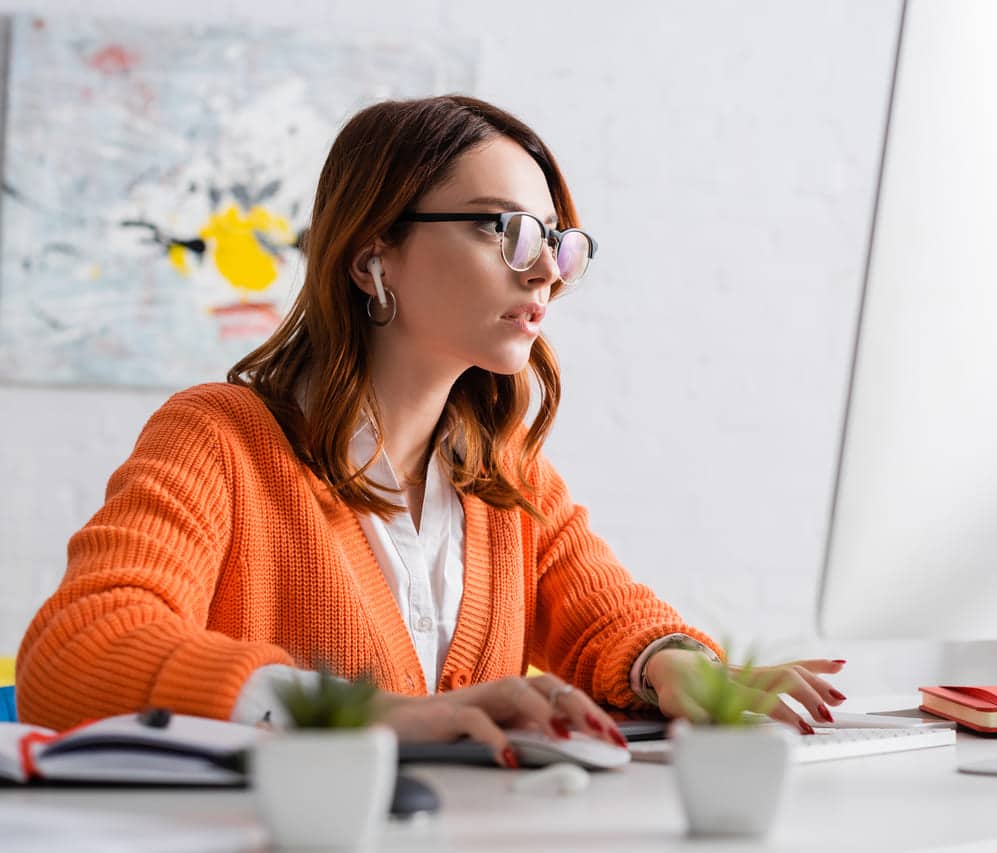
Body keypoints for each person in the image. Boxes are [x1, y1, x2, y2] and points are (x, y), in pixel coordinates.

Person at [16, 96, 845, 766]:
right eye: (499, 226)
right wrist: (366, 715)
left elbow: (607, 619)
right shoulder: (218, 439)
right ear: (374, 255)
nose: (543, 269)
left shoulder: (503, 474)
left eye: (556, 241)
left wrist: (686, 672)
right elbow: (77, 650)